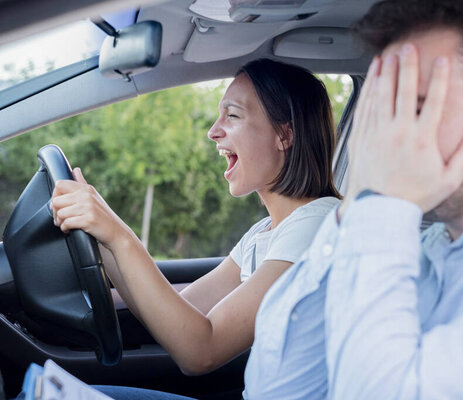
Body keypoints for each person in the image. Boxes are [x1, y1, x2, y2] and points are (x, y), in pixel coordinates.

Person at [242, 0, 463, 399]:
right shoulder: (422, 247)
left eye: (414, 108)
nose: (384, 140)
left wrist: (381, 209)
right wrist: (353, 207)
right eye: (381, 113)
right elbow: (276, 390)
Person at [50, 58, 341, 399]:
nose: (213, 131)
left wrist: (118, 234)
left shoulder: (319, 225)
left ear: (284, 134)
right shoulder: (265, 232)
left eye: (232, 115)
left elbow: (201, 350)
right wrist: (99, 236)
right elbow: (175, 310)